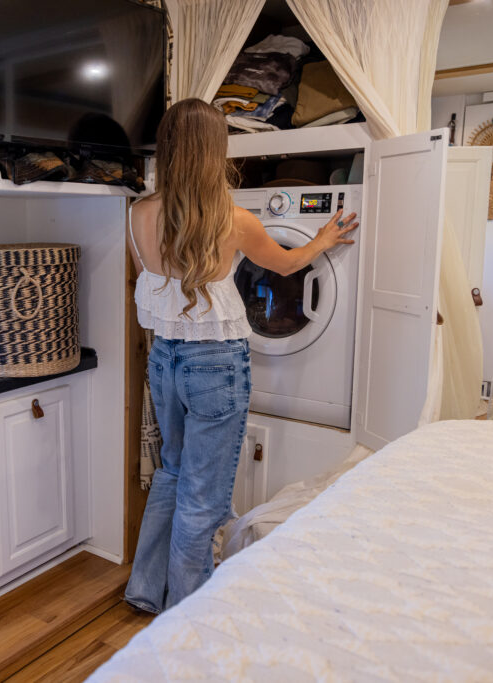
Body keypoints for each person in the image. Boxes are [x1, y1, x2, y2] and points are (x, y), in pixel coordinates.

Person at [124, 98, 358, 613]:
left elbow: (156, 279)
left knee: (172, 471)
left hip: (165, 359)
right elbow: (290, 263)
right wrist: (322, 237)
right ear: (216, 152)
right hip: (215, 366)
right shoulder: (236, 221)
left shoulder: (139, 213)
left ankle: (145, 588)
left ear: (166, 148)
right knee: (202, 495)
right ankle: (186, 612)